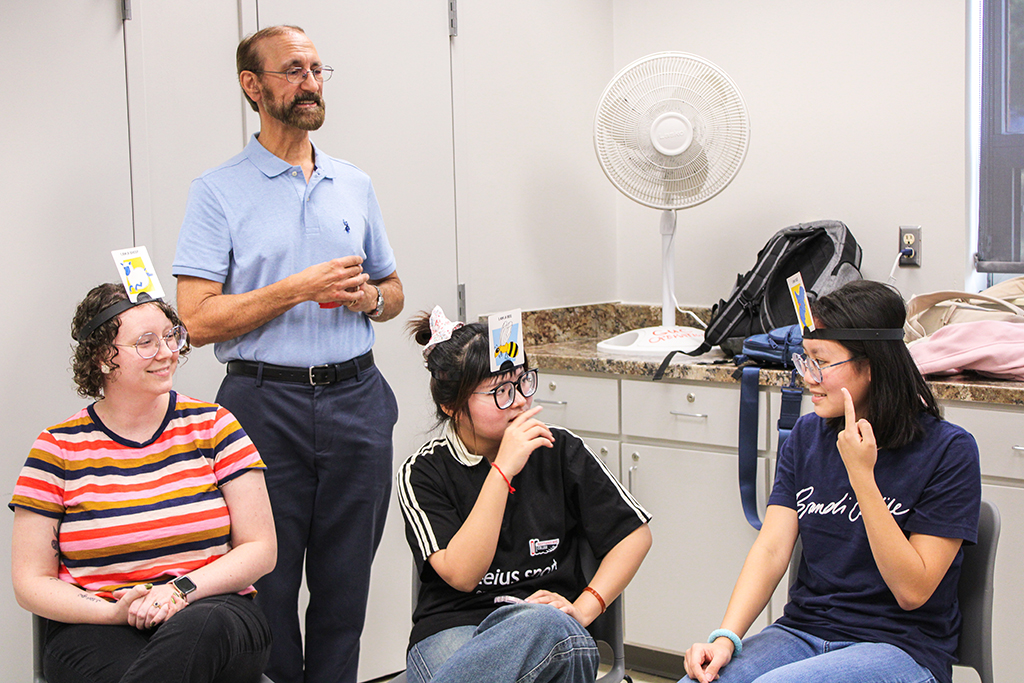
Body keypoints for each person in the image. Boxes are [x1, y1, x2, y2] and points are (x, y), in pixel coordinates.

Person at [171, 24, 403, 683]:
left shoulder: (353, 182)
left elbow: (393, 290)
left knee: (345, 586)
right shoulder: (217, 191)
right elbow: (196, 318)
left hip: (358, 399)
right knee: (265, 586)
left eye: (319, 69)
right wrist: (297, 288)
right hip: (260, 405)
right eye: (294, 70)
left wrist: (368, 300)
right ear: (254, 85)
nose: (311, 82)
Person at [682, 280, 982, 683]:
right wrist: (725, 639)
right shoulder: (806, 436)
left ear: (872, 364)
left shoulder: (950, 451)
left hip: (901, 647)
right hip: (802, 632)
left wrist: (862, 476)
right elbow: (771, 549)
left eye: (821, 362)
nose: (808, 376)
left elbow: (913, 591)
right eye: (804, 360)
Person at [10, 282, 276, 683]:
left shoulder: (215, 426)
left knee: (200, 631)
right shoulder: (57, 449)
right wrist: (113, 612)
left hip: (211, 611)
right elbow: (31, 582)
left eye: (171, 336)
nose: (168, 352)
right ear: (103, 358)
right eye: (146, 342)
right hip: (97, 624)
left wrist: (178, 590)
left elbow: (260, 548)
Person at [396, 307, 653, 683]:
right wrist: (502, 470)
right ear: (452, 406)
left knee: (552, 633)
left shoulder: (559, 449)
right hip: (456, 629)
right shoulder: (424, 472)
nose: (519, 400)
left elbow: (635, 535)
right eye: (499, 390)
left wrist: (584, 608)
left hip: (553, 629)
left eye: (521, 382)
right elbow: (464, 576)